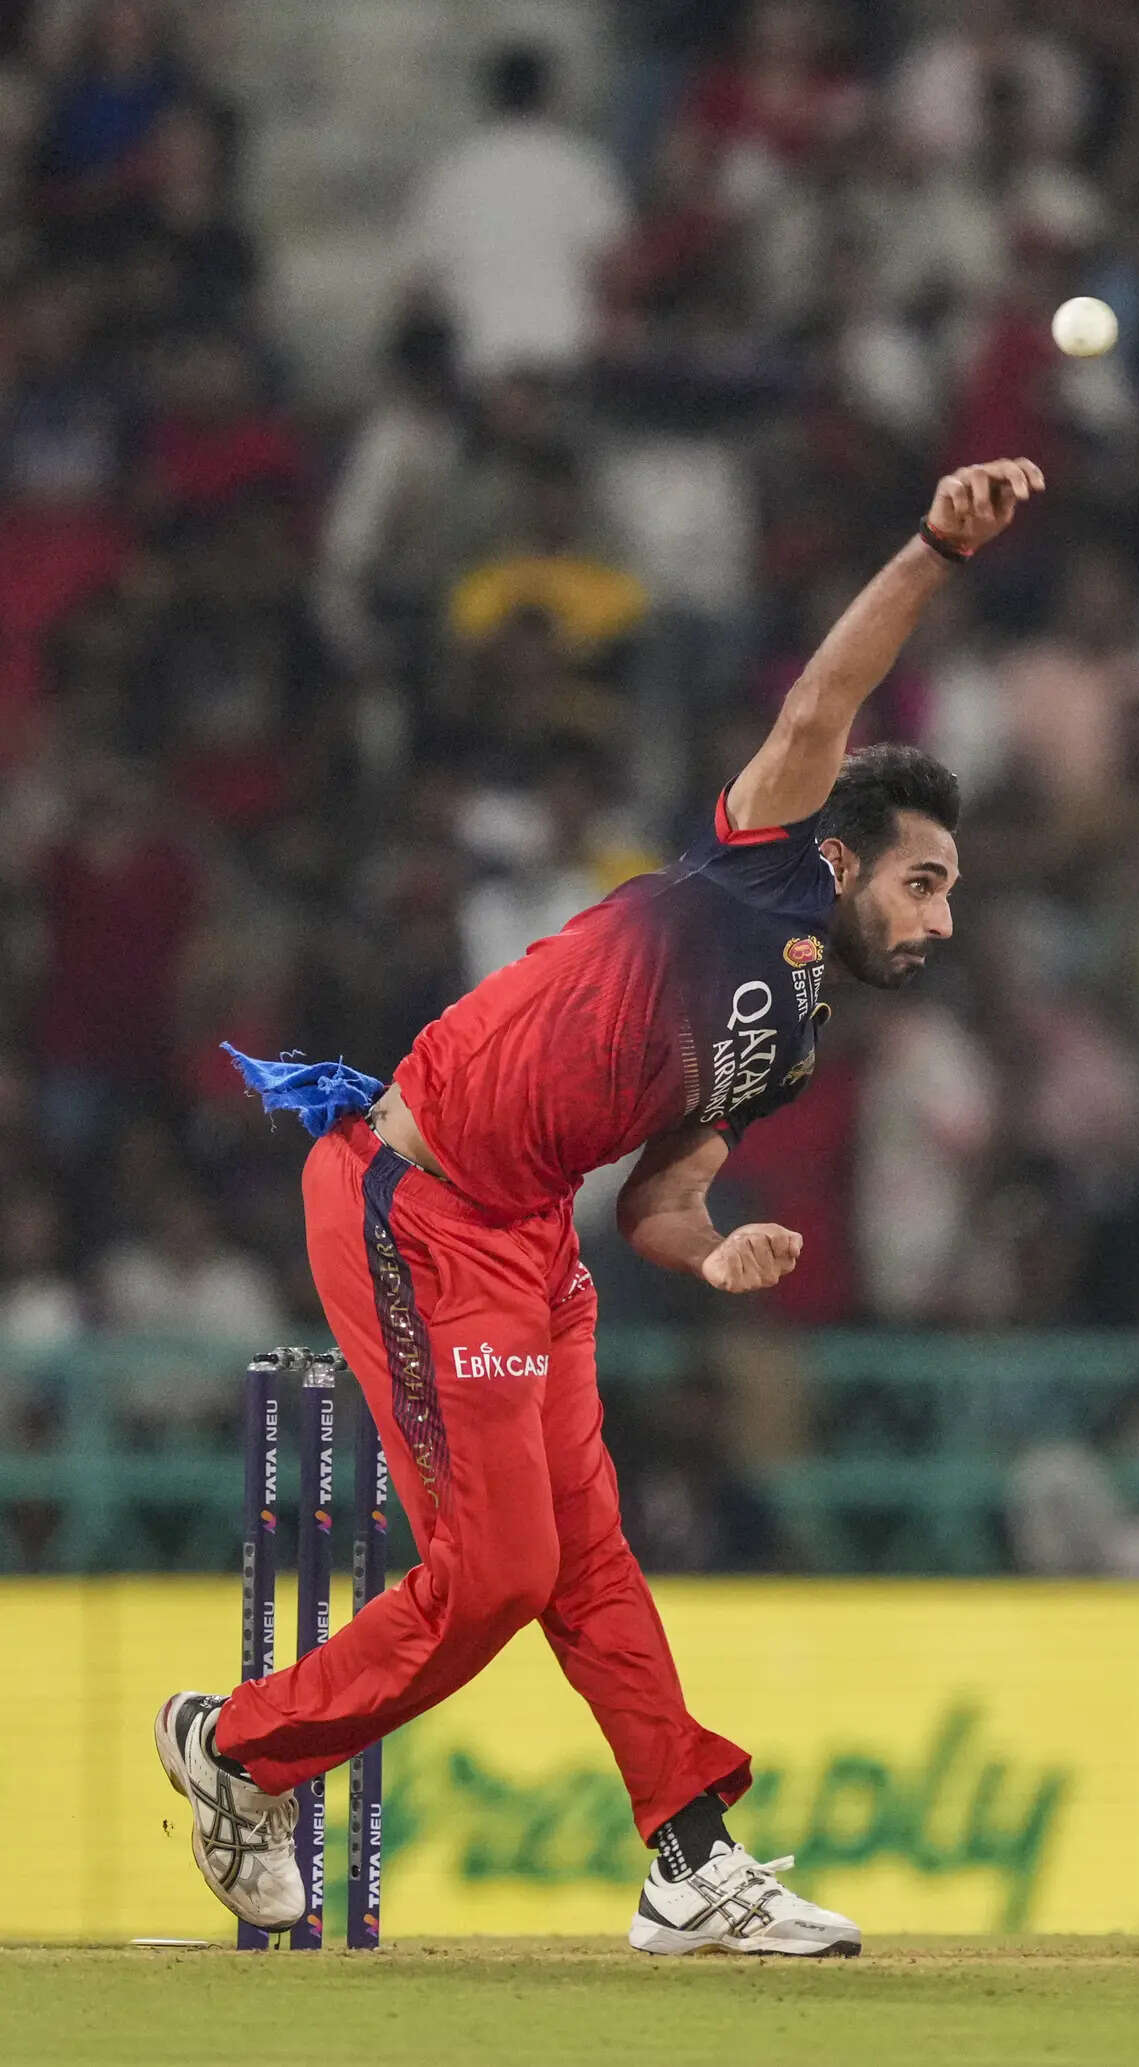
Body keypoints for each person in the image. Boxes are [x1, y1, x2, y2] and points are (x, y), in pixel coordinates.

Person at [155, 455, 1044, 1956]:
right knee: (496, 1573)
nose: (942, 920)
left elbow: (660, 1199)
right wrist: (931, 552)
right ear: (844, 856)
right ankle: (235, 1747)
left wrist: (713, 1248)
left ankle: (688, 1860)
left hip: (534, 1238)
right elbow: (826, 695)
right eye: (925, 883)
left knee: (585, 1555)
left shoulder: (797, 1033)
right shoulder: (762, 865)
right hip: (409, 1200)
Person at [401, 42, 630, 382]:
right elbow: (615, 263)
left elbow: (418, 281)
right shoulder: (580, 164)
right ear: (551, 95)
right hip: (563, 347)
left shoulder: (454, 170)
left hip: (478, 351)